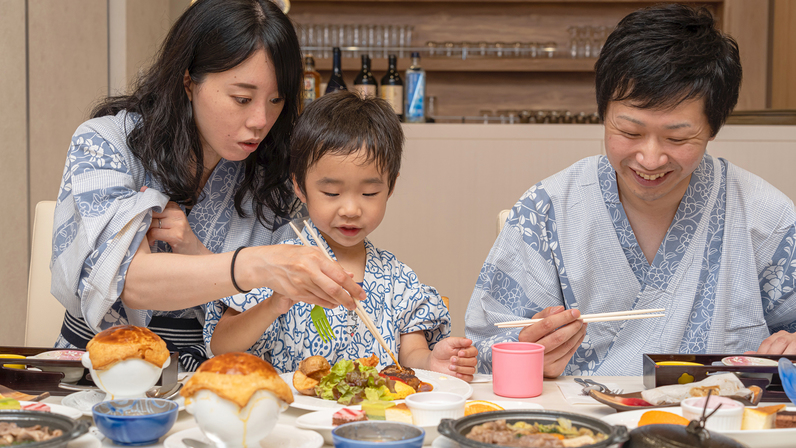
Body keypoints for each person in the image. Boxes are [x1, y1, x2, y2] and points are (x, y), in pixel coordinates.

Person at [465, 3, 796, 377]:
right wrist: (526, 351)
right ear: (603, 113)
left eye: (677, 137)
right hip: (578, 430)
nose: (650, 158)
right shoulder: (547, 212)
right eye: (629, 132)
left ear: (713, 128)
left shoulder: (766, 218)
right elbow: (480, 346)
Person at [50, 0, 365, 372]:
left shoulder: (276, 176)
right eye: (242, 99)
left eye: (276, 99)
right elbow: (127, 281)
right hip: (94, 368)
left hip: (215, 375)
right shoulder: (105, 144)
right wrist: (257, 264)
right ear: (189, 81)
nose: (261, 121)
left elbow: (280, 310)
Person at [205, 92, 478, 381]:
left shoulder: (399, 281)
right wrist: (274, 303)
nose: (350, 209)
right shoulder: (275, 266)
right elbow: (220, 347)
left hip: (374, 418)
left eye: (369, 193)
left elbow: (411, 356)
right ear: (299, 186)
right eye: (332, 193)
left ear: (391, 187)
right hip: (292, 416)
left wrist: (434, 361)